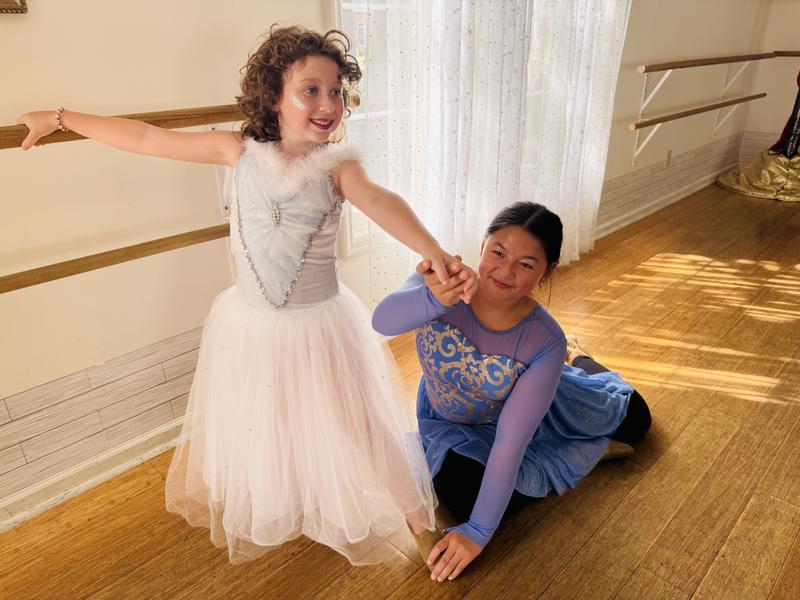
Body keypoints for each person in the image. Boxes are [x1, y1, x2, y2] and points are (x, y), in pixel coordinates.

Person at [16, 25, 477, 565]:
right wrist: (60, 118)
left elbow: (380, 201)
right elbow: (145, 139)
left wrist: (433, 251)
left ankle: (419, 520)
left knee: (359, 424)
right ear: (274, 96)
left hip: (319, 325)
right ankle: (293, 498)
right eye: (310, 90)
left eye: (336, 91)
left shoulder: (339, 169)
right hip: (250, 325)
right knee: (267, 421)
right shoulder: (235, 151)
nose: (327, 104)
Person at [373, 201, 651, 581]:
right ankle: (580, 447)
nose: (505, 271)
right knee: (462, 493)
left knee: (637, 419)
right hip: (448, 419)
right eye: (498, 253)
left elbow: (510, 440)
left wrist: (478, 533)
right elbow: (382, 322)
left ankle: (579, 359)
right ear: (483, 245)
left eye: (526, 264)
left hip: (525, 412)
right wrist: (432, 299)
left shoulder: (544, 339)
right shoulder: (442, 282)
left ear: (546, 272)